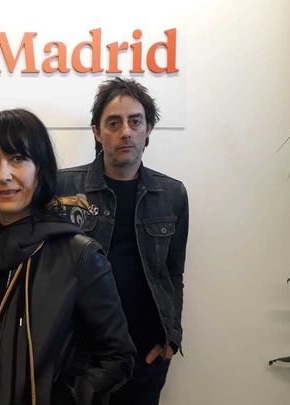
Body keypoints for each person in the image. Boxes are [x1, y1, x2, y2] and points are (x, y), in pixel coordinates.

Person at [0, 109, 135, 405]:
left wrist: (64, 397)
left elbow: (117, 357)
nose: (3, 175)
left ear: (41, 169)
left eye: (18, 158)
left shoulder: (78, 255)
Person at [57, 77, 189, 404]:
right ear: (97, 132)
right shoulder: (63, 189)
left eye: (135, 121)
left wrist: (171, 338)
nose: (126, 132)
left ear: (148, 129)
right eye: (113, 123)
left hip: (145, 357)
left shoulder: (172, 194)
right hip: (77, 356)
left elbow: (173, 273)